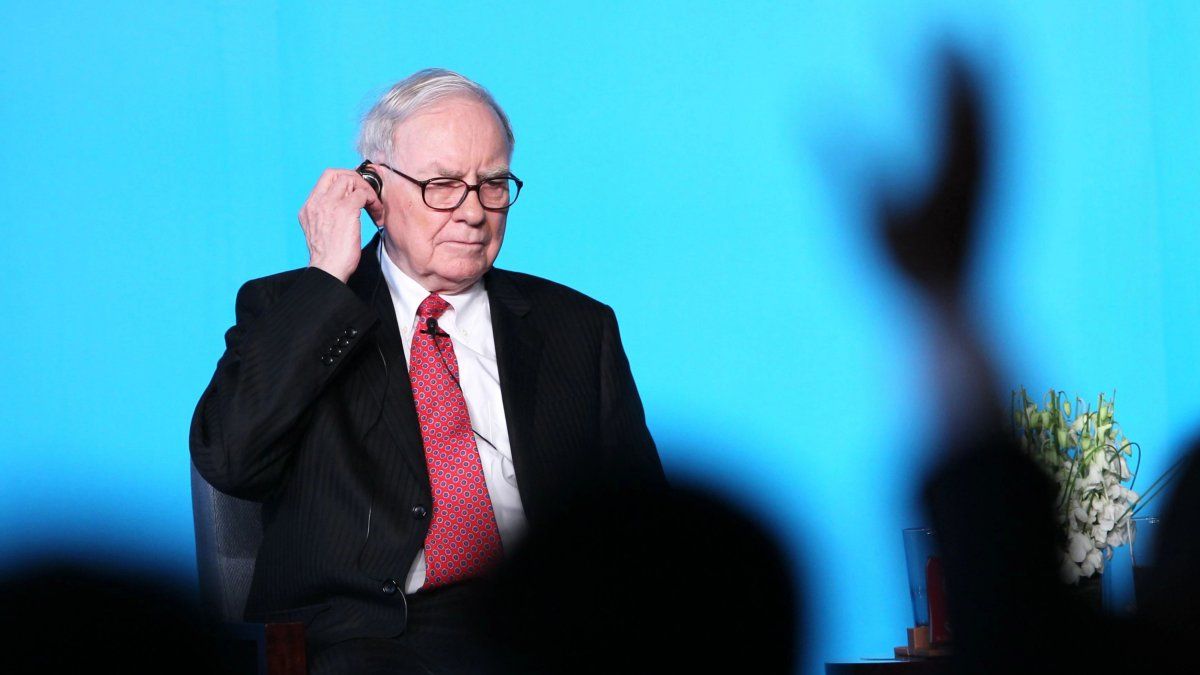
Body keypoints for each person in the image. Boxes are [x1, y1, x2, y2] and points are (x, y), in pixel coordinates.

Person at [189, 68, 665, 673]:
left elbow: (642, 517)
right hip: (370, 636)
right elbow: (231, 460)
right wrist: (326, 279)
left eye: (492, 184)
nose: (473, 212)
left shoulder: (577, 325)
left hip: (546, 624)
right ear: (374, 191)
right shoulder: (296, 309)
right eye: (442, 185)